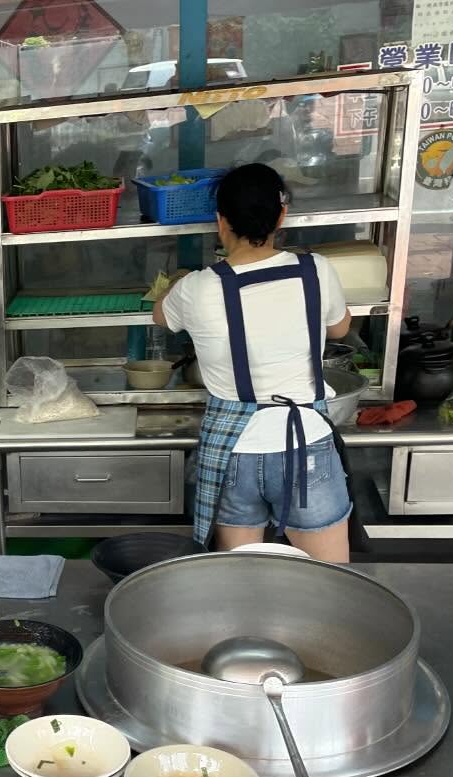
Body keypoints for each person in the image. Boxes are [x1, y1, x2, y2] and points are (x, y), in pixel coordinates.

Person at [156, 163, 356, 562]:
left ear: (220, 221)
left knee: (241, 583)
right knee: (332, 581)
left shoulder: (196, 287)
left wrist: (180, 283)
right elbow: (340, 328)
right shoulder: (316, 269)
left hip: (234, 450)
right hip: (305, 446)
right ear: (281, 216)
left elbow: (162, 316)